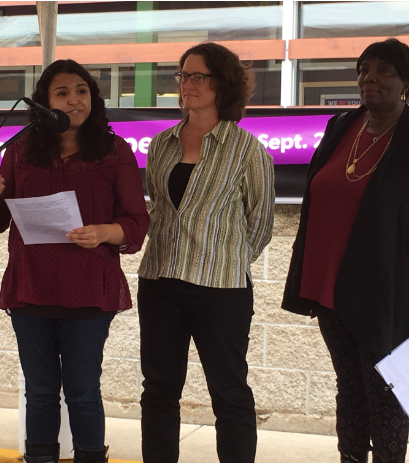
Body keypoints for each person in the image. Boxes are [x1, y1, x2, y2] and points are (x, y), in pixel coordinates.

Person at [0, 59, 149, 463]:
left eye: (81, 91)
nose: (73, 99)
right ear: (44, 103)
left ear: (93, 98)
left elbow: (136, 223)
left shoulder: (115, 151)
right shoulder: (21, 150)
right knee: (41, 391)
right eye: (62, 92)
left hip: (88, 286)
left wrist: (102, 231)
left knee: (83, 391)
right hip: (32, 285)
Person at [282, 38, 409, 463]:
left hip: (388, 293)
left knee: (386, 394)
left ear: (407, 82)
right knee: (349, 388)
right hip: (331, 289)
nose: (371, 77)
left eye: (384, 70)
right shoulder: (341, 127)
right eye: (365, 68)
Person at [137, 42, 275, 463]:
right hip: (160, 282)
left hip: (221, 289)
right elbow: (159, 210)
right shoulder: (160, 144)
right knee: (158, 390)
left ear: (223, 83)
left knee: (229, 391)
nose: (187, 84)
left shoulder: (246, 149)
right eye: (183, 76)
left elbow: (261, 223)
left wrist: (224, 257)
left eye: (199, 76)